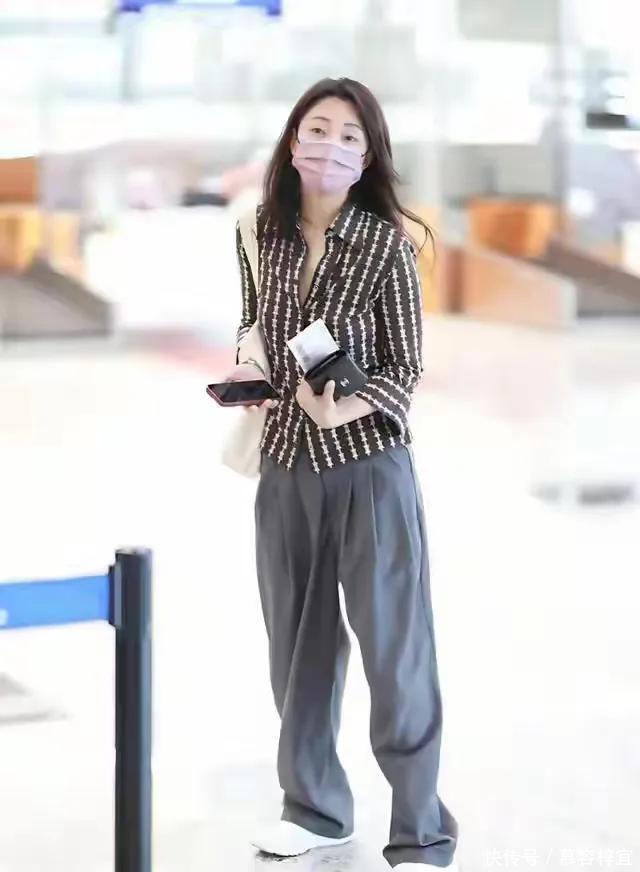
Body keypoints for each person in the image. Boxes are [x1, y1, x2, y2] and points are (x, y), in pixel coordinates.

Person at [224, 77, 459, 871]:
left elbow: (406, 369)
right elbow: (253, 322)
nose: (331, 145)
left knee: (395, 653)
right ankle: (317, 810)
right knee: (297, 651)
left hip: (369, 474)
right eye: (318, 129)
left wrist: (345, 409)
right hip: (286, 468)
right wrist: (249, 370)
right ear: (293, 140)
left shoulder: (388, 245)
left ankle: (421, 832)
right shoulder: (260, 231)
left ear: (368, 157)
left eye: (350, 136)